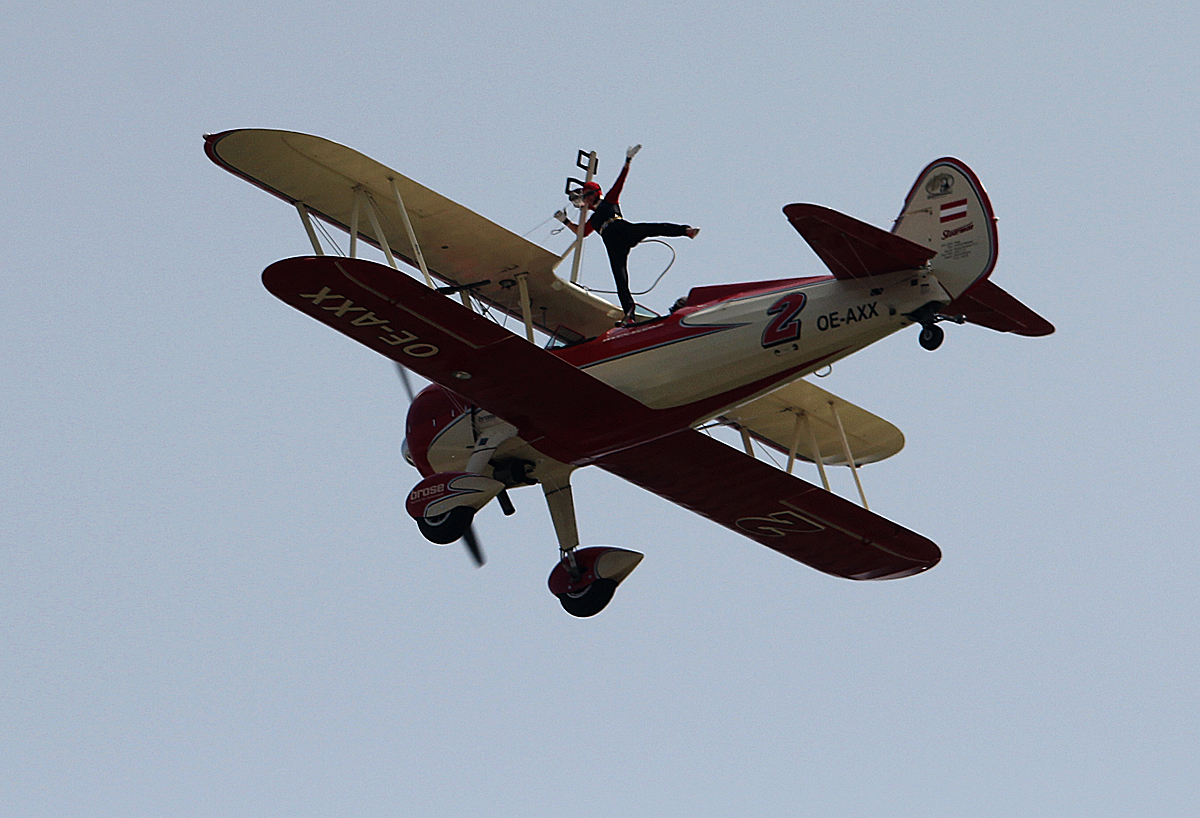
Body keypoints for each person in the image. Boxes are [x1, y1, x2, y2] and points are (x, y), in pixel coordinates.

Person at [556, 145, 698, 323]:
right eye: (585, 197)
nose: (587, 199)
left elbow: (619, 182)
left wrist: (627, 161)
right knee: (620, 279)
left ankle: (685, 230)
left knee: (651, 228)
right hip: (612, 243)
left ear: (595, 194)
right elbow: (582, 232)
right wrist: (565, 221)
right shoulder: (594, 220)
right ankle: (629, 314)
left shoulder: (609, 202)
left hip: (621, 230)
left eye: (588, 195)